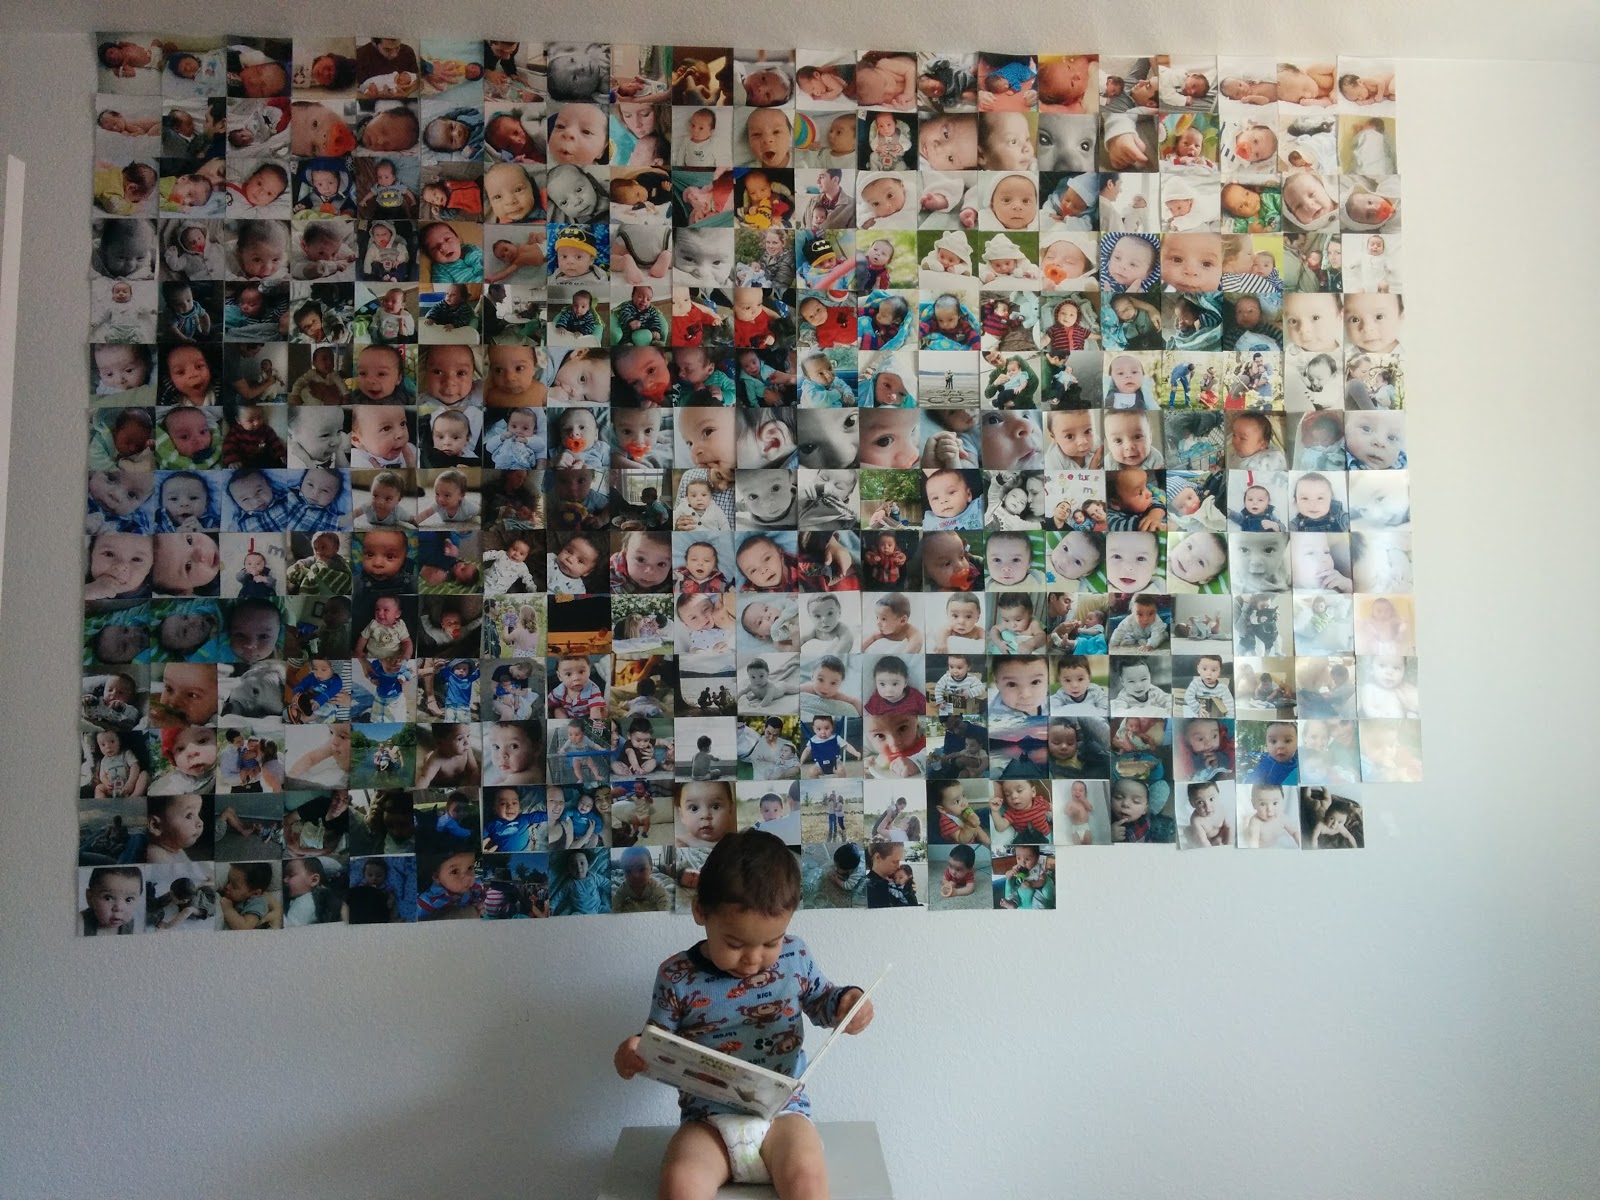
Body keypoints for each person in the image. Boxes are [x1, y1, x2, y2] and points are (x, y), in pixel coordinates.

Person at [613, 830, 875, 1194]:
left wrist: (849, 1002)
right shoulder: (676, 976)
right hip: (707, 1119)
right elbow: (658, 1042)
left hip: (783, 1113)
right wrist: (632, 1053)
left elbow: (823, 1000)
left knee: (808, 1178)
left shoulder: (795, 956)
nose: (753, 959)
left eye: (771, 942)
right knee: (679, 1182)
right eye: (734, 944)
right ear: (701, 911)